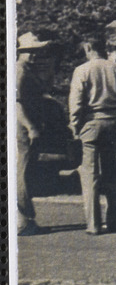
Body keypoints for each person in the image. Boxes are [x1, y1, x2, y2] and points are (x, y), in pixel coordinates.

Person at [69, 36, 116, 235]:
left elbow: (76, 103)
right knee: (112, 174)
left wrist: (75, 127)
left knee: (90, 176)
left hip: (90, 123)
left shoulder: (82, 70)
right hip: (112, 121)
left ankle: (94, 224)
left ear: (88, 48)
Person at [15, 32, 53, 236]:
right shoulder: (20, 71)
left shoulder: (27, 70)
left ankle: (23, 220)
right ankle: (23, 221)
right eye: (33, 51)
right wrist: (31, 127)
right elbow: (16, 104)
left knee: (24, 173)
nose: (37, 55)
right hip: (23, 129)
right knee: (22, 174)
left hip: (25, 128)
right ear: (24, 52)